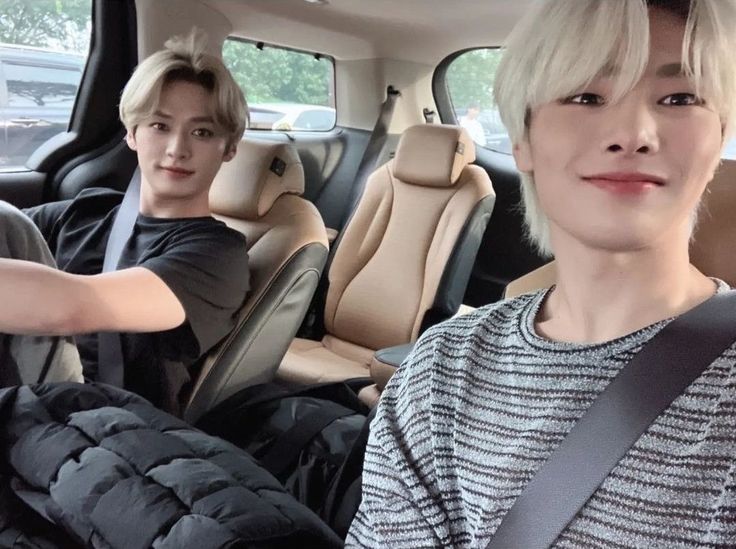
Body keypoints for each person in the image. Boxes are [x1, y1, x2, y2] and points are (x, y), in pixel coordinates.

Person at [347, 0, 736, 547]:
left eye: (678, 98)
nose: (633, 133)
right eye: (585, 96)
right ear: (523, 141)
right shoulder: (440, 369)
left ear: (718, 138)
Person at [0, 30, 250, 415]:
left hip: (88, 425)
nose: (176, 149)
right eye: (159, 126)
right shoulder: (88, 212)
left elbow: (75, 307)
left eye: (202, 132)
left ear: (229, 147)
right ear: (132, 134)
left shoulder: (218, 257)